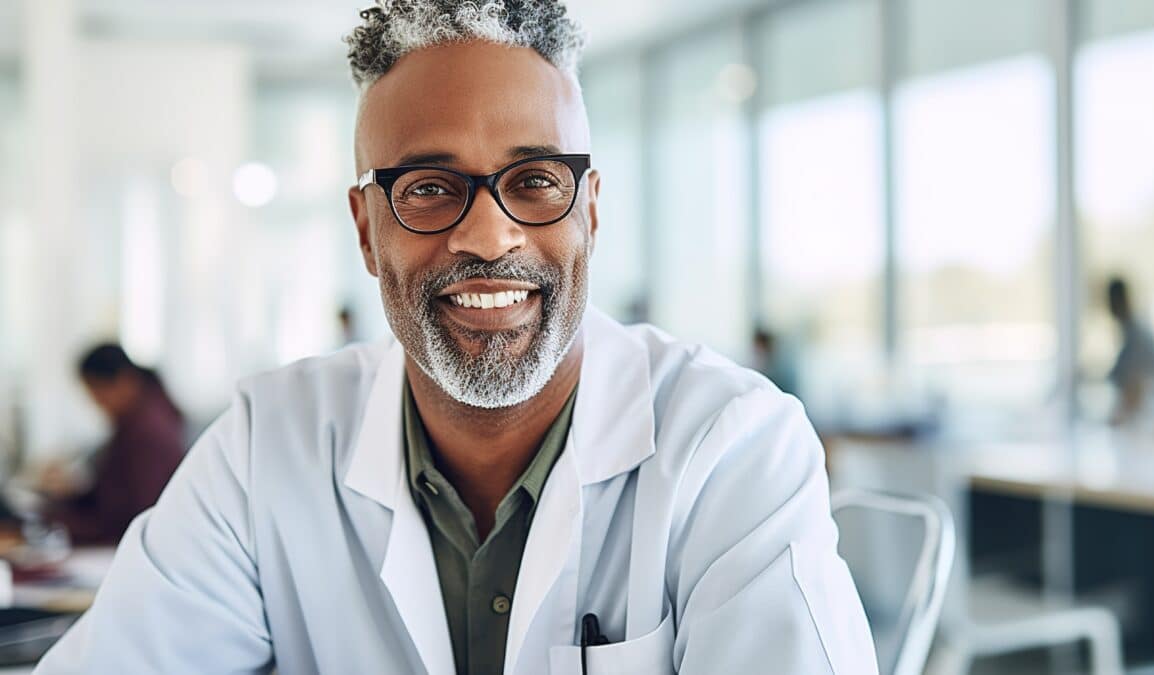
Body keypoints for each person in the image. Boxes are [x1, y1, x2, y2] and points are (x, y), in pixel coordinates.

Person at [36, 2, 875, 673]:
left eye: (535, 180)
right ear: (366, 230)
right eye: (431, 187)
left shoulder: (733, 449)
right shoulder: (265, 449)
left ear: (590, 210)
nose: (488, 234)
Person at [40, 344, 185, 545]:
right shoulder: (133, 424)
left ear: (125, 381)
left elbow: (134, 517)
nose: (96, 403)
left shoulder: (149, 432)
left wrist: (57, 522)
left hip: (130, 549)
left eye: (98, 392)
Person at [1105, 277, 1154, 424]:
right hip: (1146, 419)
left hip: (1151, 421)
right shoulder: (1131, 332)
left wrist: (1118, 419)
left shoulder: (1136, 335)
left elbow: (1136, 386)